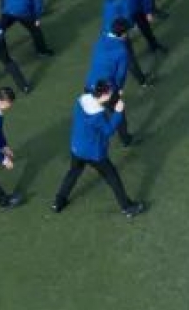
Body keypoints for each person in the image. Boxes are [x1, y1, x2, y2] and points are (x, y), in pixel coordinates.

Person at [50, 82, 145, 216]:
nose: (111, 93)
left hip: (77, 147)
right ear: (104, 95)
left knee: (73, 172)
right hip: (94, 153)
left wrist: (115, 96)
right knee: (112, 177)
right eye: (110, 92)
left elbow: (98, 103)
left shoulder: (81, 100)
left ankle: (58, 201)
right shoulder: (98, 115)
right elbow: (108, 131)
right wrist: (118, 113)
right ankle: (127, 207)